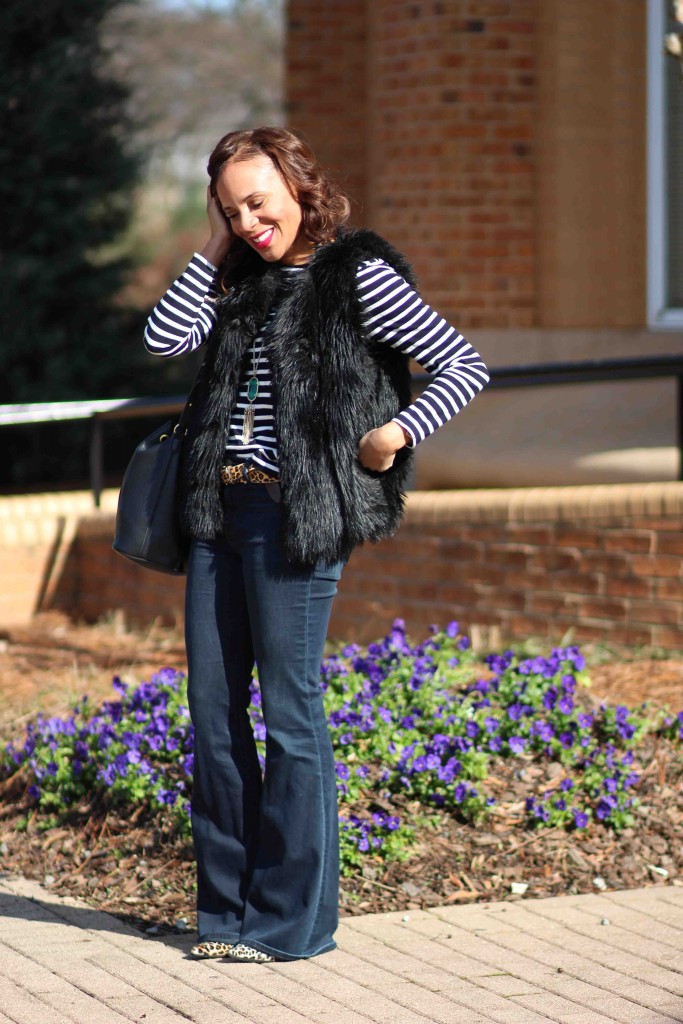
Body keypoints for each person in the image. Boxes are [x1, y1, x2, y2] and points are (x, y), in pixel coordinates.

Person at [143, 126, 489, 963]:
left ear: (300, 185)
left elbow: (462, 365)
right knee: (215, 717)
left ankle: (291, 925)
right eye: (232, 209)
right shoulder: (238, 281)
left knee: (291, 719)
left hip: (296, 522)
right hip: (219, 517)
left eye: (260, 200)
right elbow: (161, 341)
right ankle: (224, 918)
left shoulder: (356, 276)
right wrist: (220, 244)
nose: (252, 220)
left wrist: (394, 433)